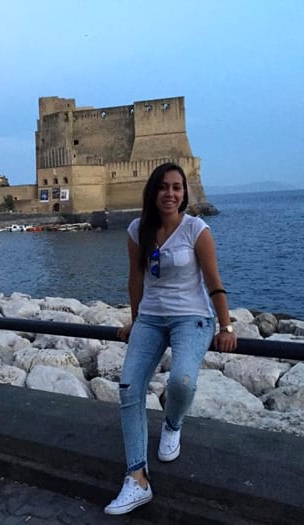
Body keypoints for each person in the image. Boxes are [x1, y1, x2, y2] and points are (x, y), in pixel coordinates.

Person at [104, 162, 237, 515]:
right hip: (150, 319)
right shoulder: (138, 230)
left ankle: (172, 424)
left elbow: (214, 281)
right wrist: (134, 321)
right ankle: (137, 478)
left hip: (192, 317)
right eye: (164, 187)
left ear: (184, 193)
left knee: (181, 381)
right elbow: (135, 279)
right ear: (153, 191)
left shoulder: (196, 229)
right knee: (129, 388)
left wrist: (226, 327)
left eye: (177, 187)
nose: (170, 193)